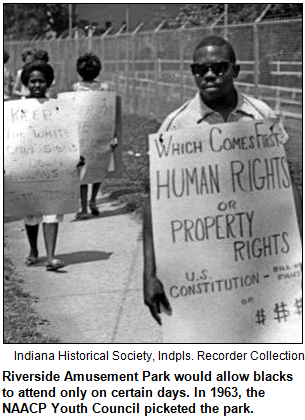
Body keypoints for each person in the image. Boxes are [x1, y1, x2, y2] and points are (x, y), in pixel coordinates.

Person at [143, 35, 302, 326]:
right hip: (202, 263)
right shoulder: (176, 126)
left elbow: (286, 185)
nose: (209, 75)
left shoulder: (261, 116)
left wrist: (299, 248)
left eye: (219, 67)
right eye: (200, 69)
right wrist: (149, 272)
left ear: (235, 71)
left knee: (263, 331)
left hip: (257, 254)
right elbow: (155, 203)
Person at [20, 60, 84, 271]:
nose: (37, 85)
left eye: (41, 81)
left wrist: (76, 155)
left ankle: (51, 256)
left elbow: (67, 135)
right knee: (31, 212)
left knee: (52, 211)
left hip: (53, 167)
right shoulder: (16, 110)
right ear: (26, 83)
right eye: (33, 81)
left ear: (48, 84)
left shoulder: (58, 108)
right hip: (27, 168)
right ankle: (33, 250)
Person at [72, 52, 116, 219]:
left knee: (96, 170)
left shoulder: (100, 88)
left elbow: (110, 112)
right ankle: (87, 204)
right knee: (87, 172)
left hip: (98, 135)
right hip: (84, 135)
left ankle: (90, 203)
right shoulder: (79, 88)